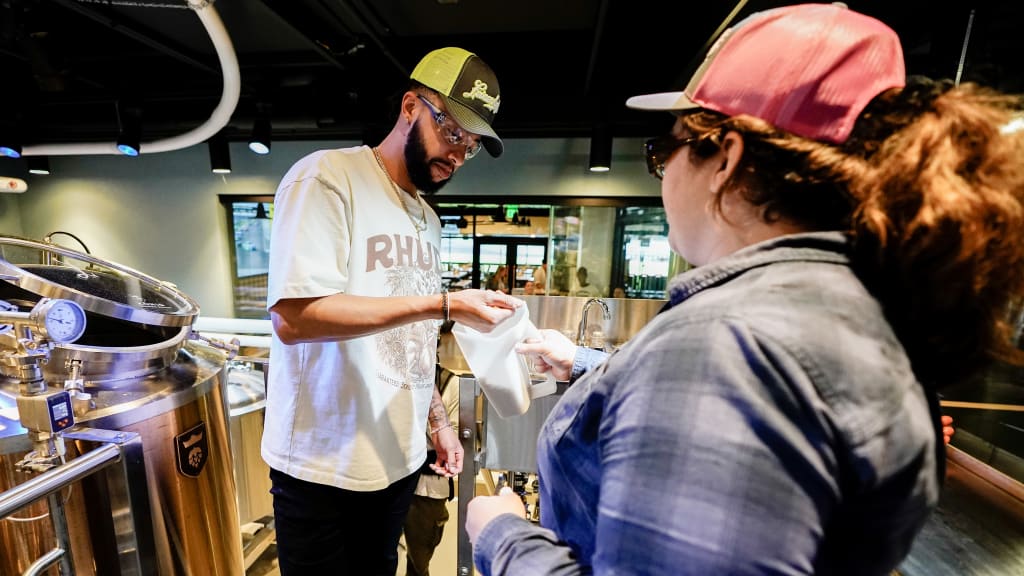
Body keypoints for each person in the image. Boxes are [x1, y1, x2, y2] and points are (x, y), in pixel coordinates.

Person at [466, 4, 1024, 575]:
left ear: (725, 160)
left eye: (665, 151)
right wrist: (584, 362)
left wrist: (502, 534)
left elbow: (727, 375)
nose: (664, 173)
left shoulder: (721, 348)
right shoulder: (856, 309)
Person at [261, 46, 520, 576]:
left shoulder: (429, 219)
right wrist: (446, 302)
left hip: (398, 462)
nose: (457, 154)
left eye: (470, 147)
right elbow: (295, 318)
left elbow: (415, 342)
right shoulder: (328, 178)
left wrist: (436, 423)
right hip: (323, 468)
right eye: (452, 133)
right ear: (410, 106)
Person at [402, 364, 461, 576]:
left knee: (419, 562)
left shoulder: (449, 382)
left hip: (428, 488)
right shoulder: (387, 375)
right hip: (388, 478)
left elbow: (452, 438)